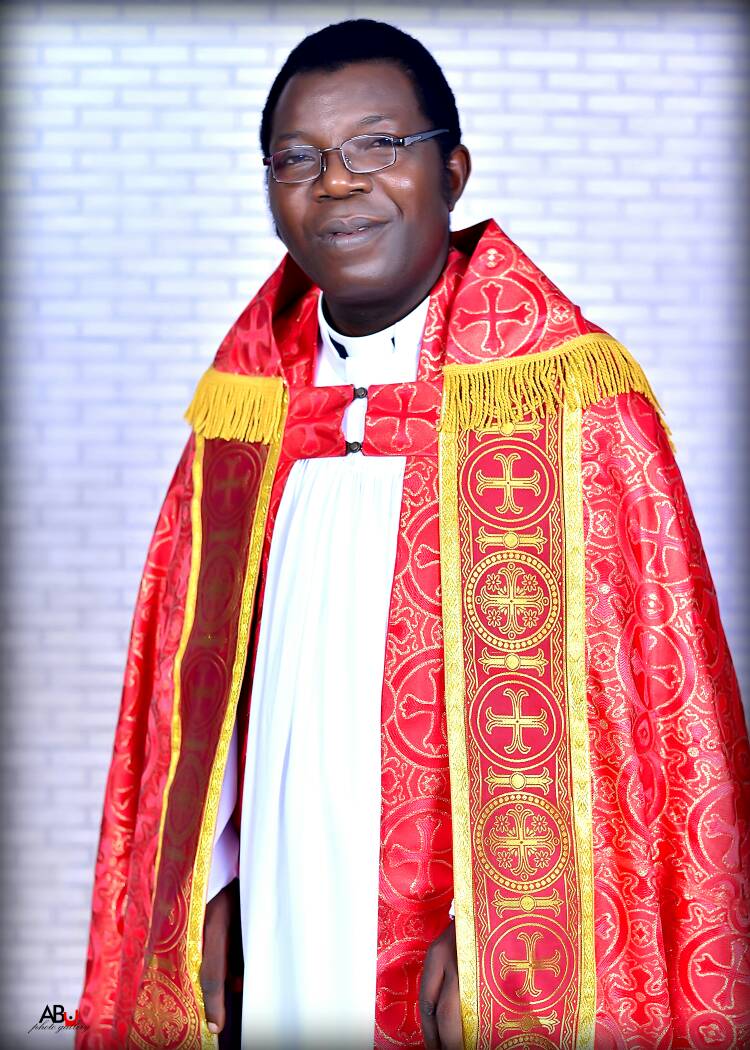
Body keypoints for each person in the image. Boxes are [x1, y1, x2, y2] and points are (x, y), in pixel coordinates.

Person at [77, 18, 750, 1050]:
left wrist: (506, 929)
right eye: (297, 158)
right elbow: (188, 710)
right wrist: (211, 886)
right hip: (288, 897)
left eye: (378, 145)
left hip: (477, 936)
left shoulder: (570, 407)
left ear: (454, 168)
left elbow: (645, 726)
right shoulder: (242, 423)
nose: (337, 183)